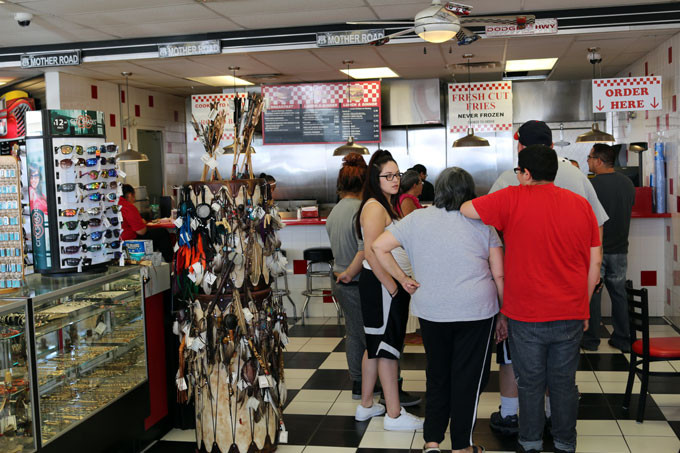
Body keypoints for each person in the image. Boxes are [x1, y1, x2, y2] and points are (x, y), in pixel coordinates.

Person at [461, 145, 602, 453]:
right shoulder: (580, 205)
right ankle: (565, 444)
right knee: (564, 384)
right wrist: (585, 302)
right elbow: (595, 261)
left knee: (530, 383)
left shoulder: (511, 198)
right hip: (570, 311)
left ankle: (530, 443)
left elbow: (466, 209)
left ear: (524, 173)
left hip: (524, 314)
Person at [373, 167, 504, 453]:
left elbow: (379, 246)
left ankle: (432, 441)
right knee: (468, 379)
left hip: (432, 310)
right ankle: (461, 446)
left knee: (438, 375)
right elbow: (498, 274)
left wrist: (403, 278)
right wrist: (504, 313)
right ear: (469, 192)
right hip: (477, 312)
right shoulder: (483, 223)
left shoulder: (418, 218)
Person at [354, 149, 423, 430]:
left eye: (398, 174)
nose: (395, 180)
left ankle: (367, 405)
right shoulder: (374, 207)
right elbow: (371, 253)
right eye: (388, 176)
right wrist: (394, 286)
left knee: (374, 348)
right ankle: (394, 415)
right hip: (382, 285)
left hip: (385, 285)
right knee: (387, 350)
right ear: (376, 177)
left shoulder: (386, 204)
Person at [581, 144, 636, 352]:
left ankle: (591, 340)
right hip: (621, 248)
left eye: (590, 157)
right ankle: (623, 339)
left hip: (597, 249)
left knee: (594, 293)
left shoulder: (591, 186)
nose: (588, 161)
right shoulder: (628, 183)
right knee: (619, 293)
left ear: (599, 161)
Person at [326, 153, 369, 399]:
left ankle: (357, 381)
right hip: (355, 281)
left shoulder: (335, 211)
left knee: (353, 332)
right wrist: (350, 274)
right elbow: (363, 251)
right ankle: (371, 382)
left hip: (338, 280)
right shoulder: (362, 211)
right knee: (368, 335)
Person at [119, 184, 172, 262]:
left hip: (117, 243)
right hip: (130, 243)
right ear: (130, 195)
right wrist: (142, 222)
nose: (134, 199)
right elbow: (141, 231)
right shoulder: (128, 207)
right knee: (161, 232)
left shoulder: (113, 205)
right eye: (134, 196)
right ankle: (170, 262)